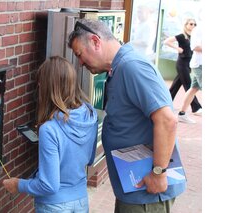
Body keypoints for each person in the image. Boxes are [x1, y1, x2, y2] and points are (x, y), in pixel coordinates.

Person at [68, 19, 186, 213]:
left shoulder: (132, 67)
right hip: (134, 187)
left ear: (96, 41)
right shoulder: (118, 68)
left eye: (80, 54)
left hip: (146, 193)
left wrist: (159, 173)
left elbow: (167, 120)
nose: (80, 63)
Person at [2, 56, 98, 212]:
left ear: (48, 87)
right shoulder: (90, 115)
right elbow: (89, 159)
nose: (38, 87)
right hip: (80, 200)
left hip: (54, 206)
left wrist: (18, 185)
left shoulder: (49, 130)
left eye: (40, 84)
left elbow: (48, 185)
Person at [163, 18, 202, 117]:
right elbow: (166, 41)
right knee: (189, 85)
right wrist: (177, 48)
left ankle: (164, 103)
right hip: (182, 64)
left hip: (188, 64)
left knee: (175, 86)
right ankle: (196, 107)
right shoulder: (181, 36)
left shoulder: (193, 36)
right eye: (191, 24)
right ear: (186, 25)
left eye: (194, 24)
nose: (193, 26)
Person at [177, 19, 202, 124]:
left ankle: (181, 114)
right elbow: (195, 47)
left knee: (193, 89)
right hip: (199, 65)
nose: (192, 25)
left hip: (198, 64)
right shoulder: (198, 30)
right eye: (190, 23)